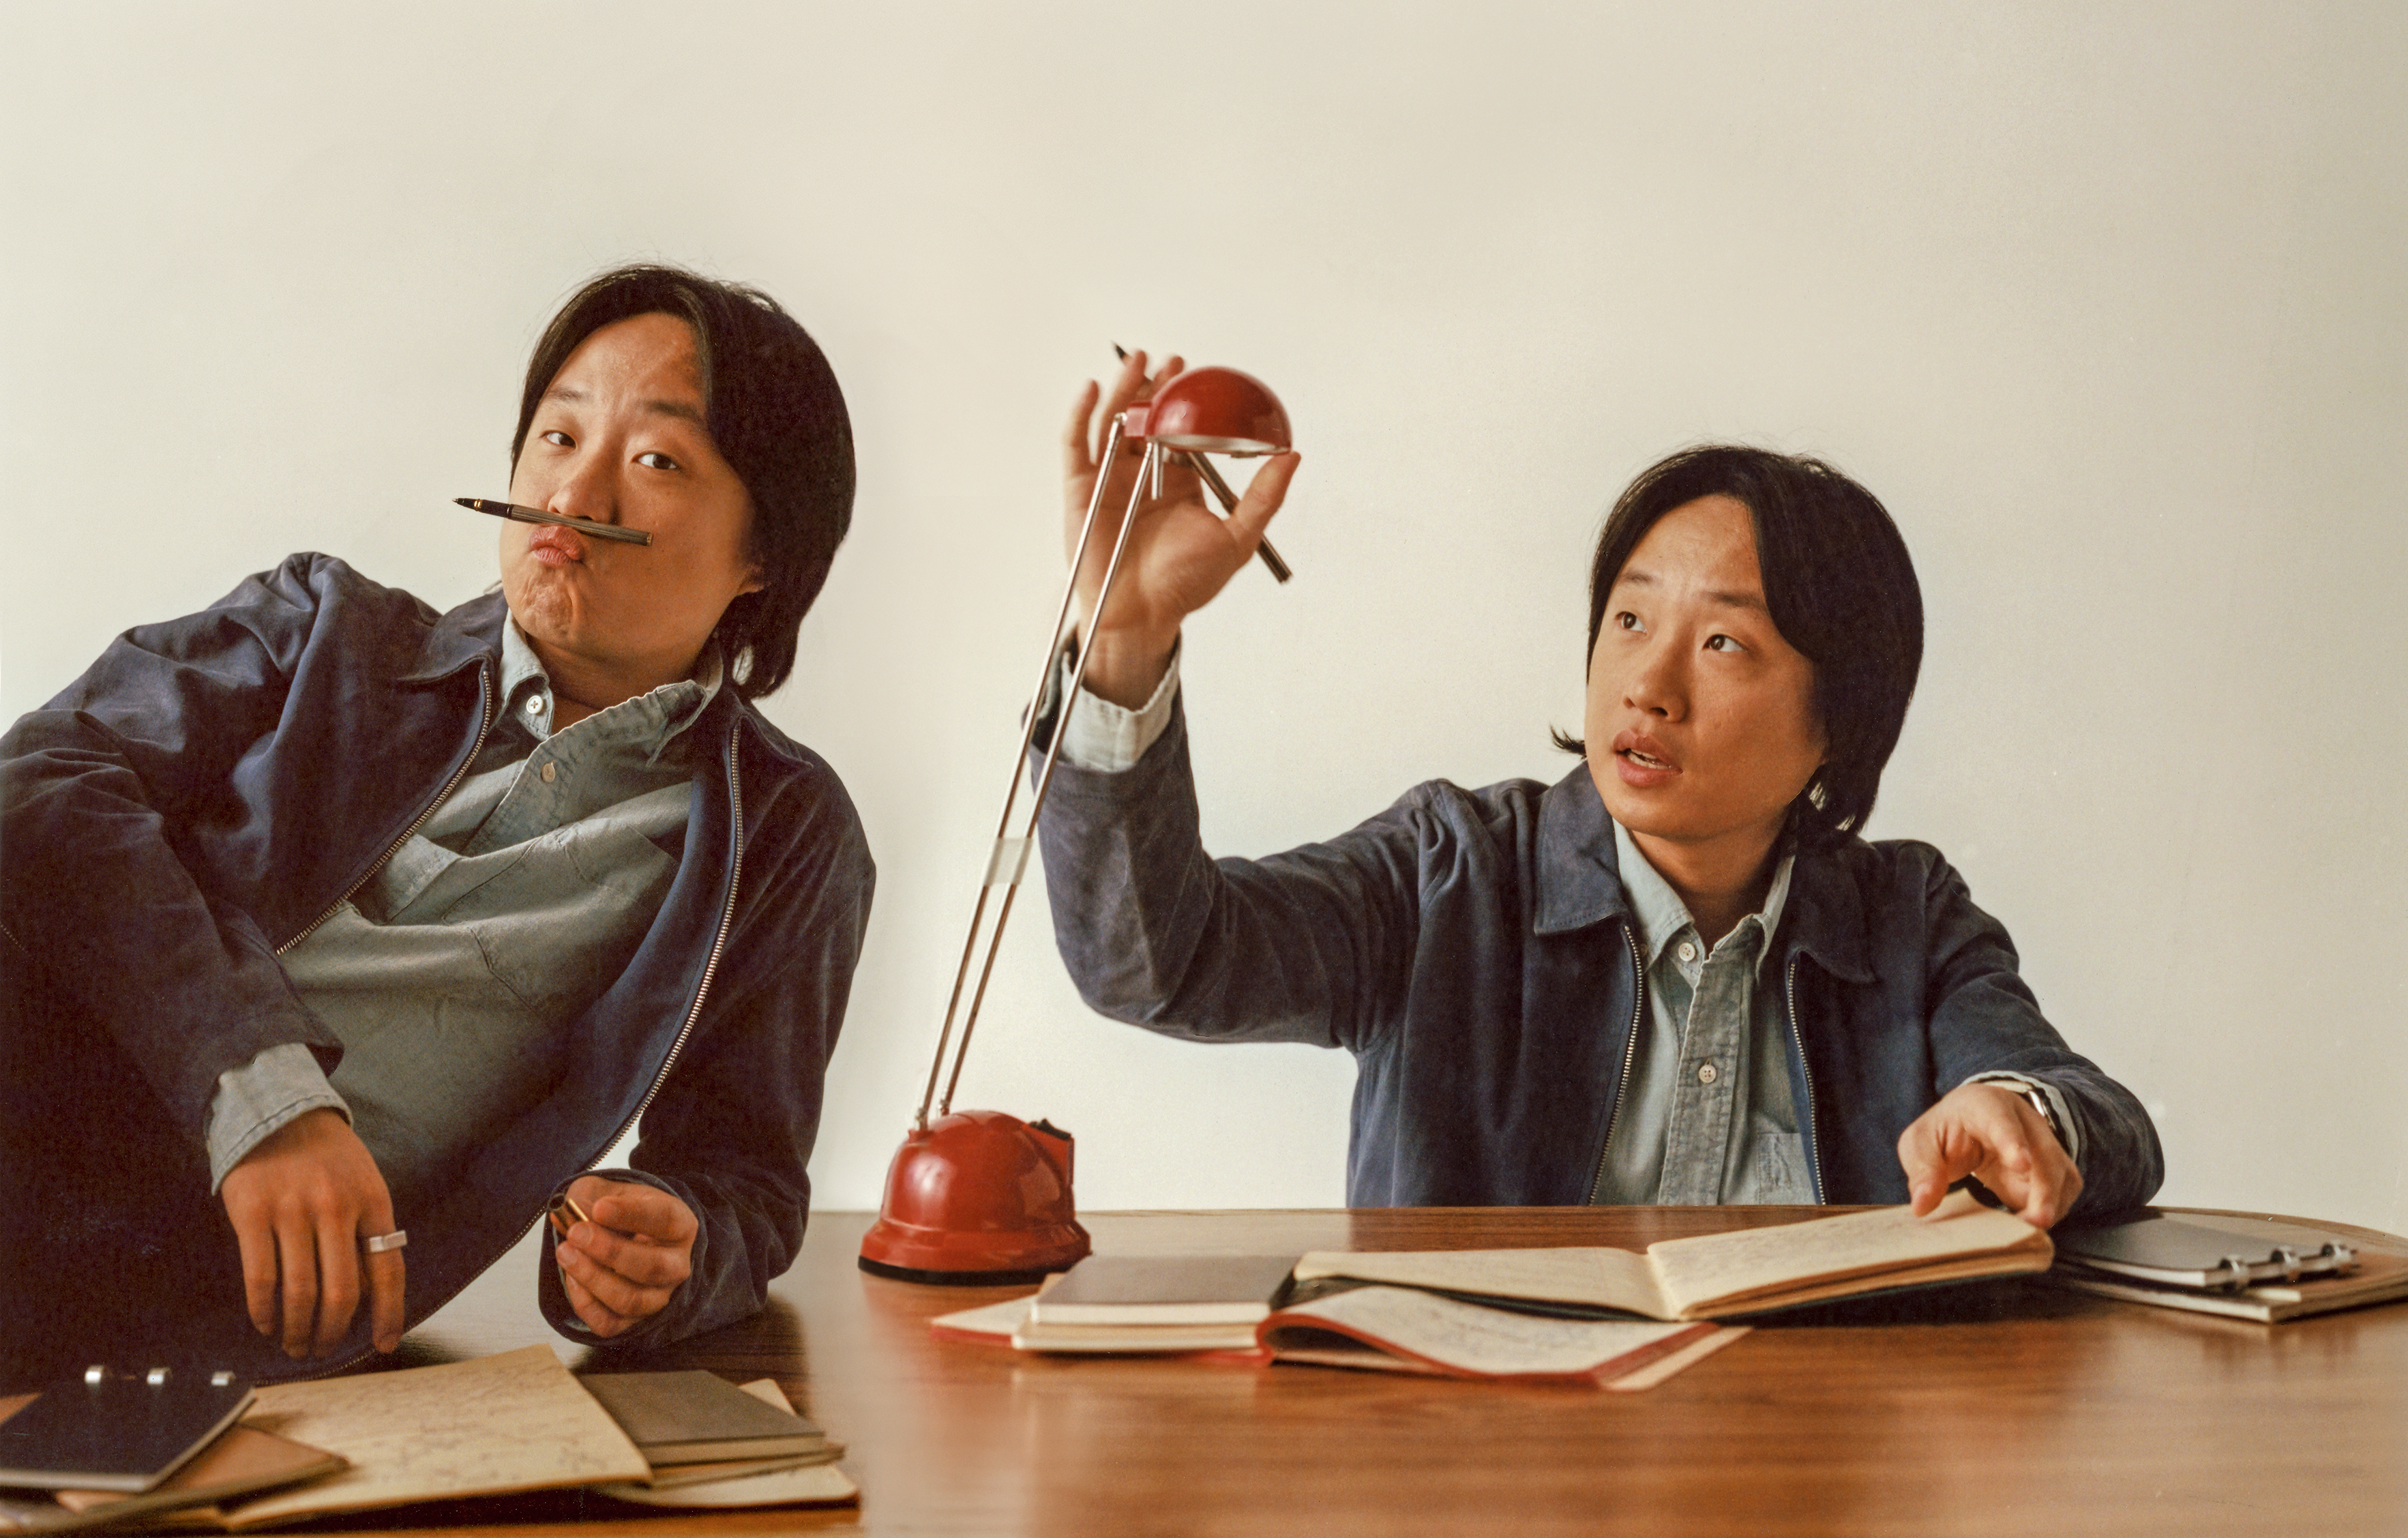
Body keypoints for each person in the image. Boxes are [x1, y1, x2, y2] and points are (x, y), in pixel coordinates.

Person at [1032, 353, 2160, 1225]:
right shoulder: (1449, 871)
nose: (1648, 685)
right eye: (1629, 618)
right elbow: (1157, 965)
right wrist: (1125, 642)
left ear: (1839, 723)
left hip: (1809, 1473)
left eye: (1723, 643)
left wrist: (2019, 1113)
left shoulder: (1907, 919)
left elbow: (2096, 1116)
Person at [0, 265, 873, 1379]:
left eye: (657, 460)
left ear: (766, 557)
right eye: (557, 438)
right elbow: (42, 780)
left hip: (233, 1347)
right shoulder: (320, 628)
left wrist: (666, 1249)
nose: (575, 496)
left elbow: (743, 1177)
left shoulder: (786, 839)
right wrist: (257, 1089)